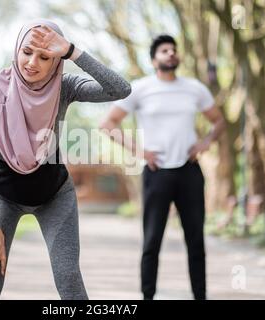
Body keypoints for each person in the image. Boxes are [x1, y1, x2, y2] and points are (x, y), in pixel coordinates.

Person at [0, 19, 131, 300]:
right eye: (27, 51)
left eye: (45, 57)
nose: (32, 62)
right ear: (17, 49)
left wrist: (72, 51)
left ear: (56, 60)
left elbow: (120, 89)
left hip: (55, 196)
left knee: (68, 278)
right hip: (1, 197)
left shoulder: (63, 87)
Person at [100, 34, 225, 300]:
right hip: (156, 173)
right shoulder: (141, 88)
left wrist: (205, 143)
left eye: (174, 50)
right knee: (152, 242)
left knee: (196, 242)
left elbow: (219, 122)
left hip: (189, 172)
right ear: (154, 59)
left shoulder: (194, 88)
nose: (171, 53)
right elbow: (108, 124)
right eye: (165, 50)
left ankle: (200, 296)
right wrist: (140, 151)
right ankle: (147, 296)